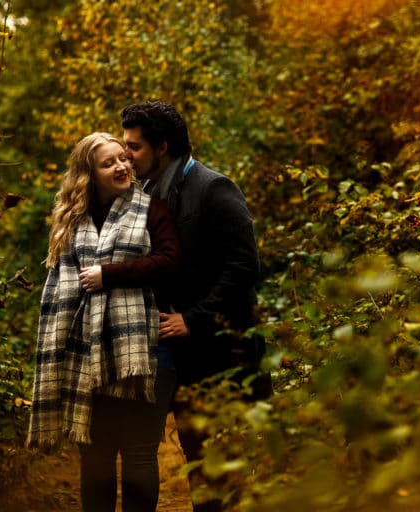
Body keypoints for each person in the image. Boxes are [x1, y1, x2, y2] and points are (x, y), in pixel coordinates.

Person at [121, 100, 270, 512]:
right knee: (199, 471)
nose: (127, 156)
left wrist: (194, 319)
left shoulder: (215, 189)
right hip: (183, 360)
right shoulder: (149, 192)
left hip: (226, 359)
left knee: (224, 480)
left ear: (162, 146)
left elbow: (244, 267)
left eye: (134, 147)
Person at [27, 132, 182, 512]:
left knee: (138, 452)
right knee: (95, 457)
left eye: (123, 159)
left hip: (144, 349)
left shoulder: (151, 209)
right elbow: (59, 285)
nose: (122, 166)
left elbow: (170, 260)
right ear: (88, 174)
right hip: (82, 354)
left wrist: (108, 274)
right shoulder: (70, 219)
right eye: (109, 162)